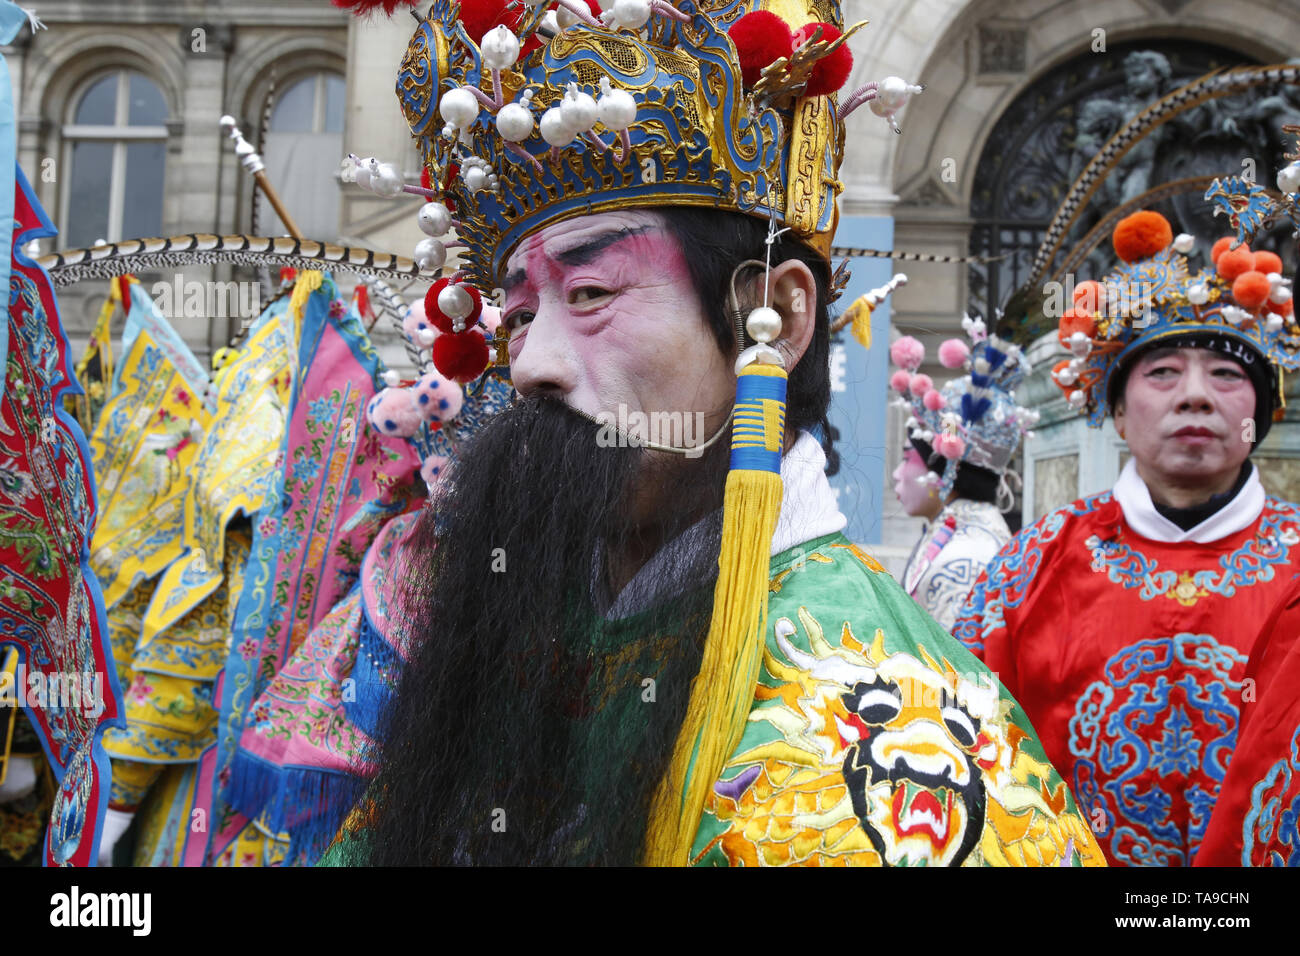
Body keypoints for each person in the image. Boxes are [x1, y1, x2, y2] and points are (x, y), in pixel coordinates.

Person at [318, 0, 1103, 867]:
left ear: (774, 313)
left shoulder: (886, 752)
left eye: (592, 295)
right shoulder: (517, 633)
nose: (531, 361)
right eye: (517, 313)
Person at [954, 208, 1300, 866]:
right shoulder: (1030, 566)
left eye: (1227, 375)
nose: (1195, 396)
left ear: (1262, 408)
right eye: (1163, 373)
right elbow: (965, 750)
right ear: (1114, 408)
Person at [889, 318, 1035, 631]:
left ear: (943, 469)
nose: (896, 475)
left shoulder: (966, 559)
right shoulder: (959, 529)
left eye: (906, 459)